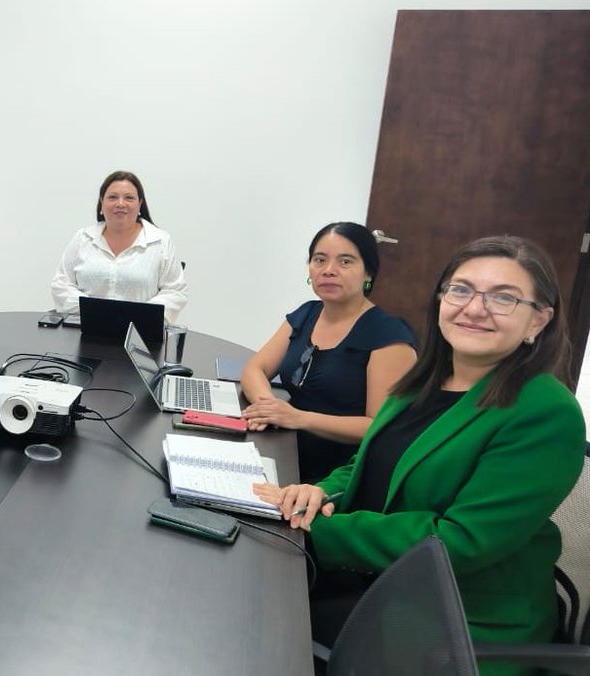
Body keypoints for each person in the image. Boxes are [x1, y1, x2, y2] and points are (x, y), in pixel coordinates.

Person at [257, 236, 584, 673]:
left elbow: (459, 542)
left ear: (538, 321)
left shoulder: (547, 412)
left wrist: (317, 529)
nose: (473, 308)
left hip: (452, 621)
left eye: (504, 298)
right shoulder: (427, 379)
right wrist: (316, 494)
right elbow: (366, 465)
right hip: (373, 579)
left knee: (260, 633)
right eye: (461, 289)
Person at [240, 222, 417, 483]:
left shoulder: (389, 336)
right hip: (286, 452)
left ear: (369, 273)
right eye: (320, 260)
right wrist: (268, 407)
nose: (329, 270)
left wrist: (298, 418)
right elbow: (255, 368)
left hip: (339, 478)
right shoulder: (306, 313)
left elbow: (379, 427)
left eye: (345, 262)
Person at [50, 170, 188, 324]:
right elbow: (61, 285)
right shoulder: (83, 238)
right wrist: (94, 310)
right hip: (85, 330)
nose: (120, 204)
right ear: (102, 203)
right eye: (112, 197)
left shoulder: (160, 241)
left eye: (129, 198)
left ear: (140, 204)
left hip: (140, 335)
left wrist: (139, 315)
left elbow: (175, 291)